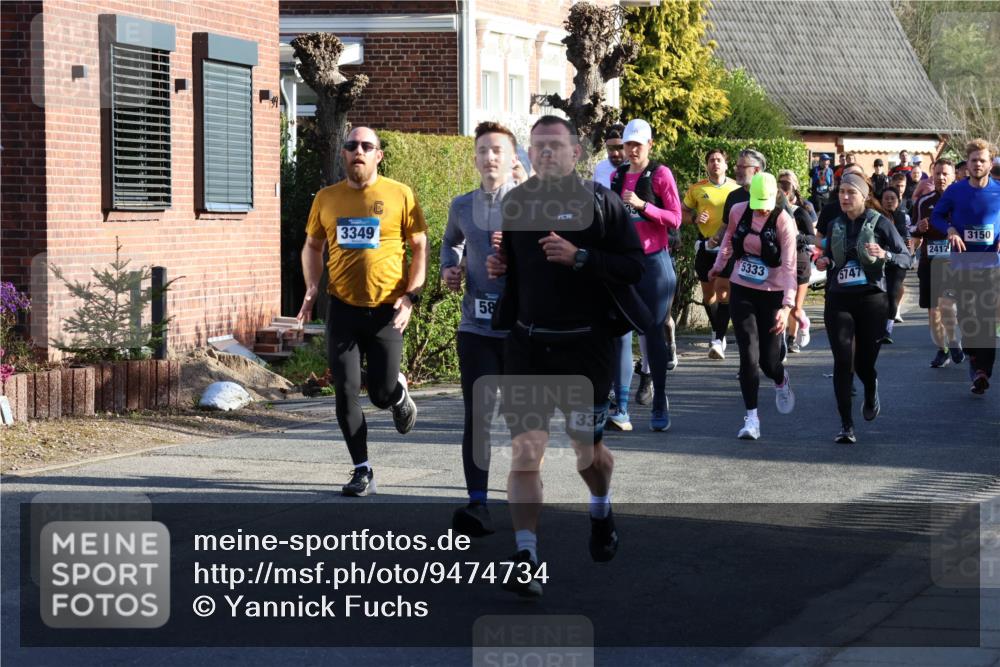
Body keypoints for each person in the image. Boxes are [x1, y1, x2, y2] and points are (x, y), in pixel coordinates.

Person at [487, 115, 644, 595]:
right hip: (528, 344)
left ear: (577, 153)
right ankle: (526, 556)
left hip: (585, 348)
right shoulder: (515, 204)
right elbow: (514, 269)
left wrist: (581, 257)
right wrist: (500, 266)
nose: (546, 153)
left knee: (586, 455)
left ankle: (600, 510)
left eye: (555, 146)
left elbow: (633, 266)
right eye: (538, 147)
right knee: (525, 453)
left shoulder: (603, 205)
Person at [298, 126, 428, 496]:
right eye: (352, 145)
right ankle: (362, 469)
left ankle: (398, 395)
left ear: (378, 155)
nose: (358, 150)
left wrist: (411, 296)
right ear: (343, 154)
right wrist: (311, 288)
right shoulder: (326, 198)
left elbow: (420, 246)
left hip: (388, 309)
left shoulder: (400, 194)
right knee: (345, 390)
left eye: (366, 146)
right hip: (343, 309)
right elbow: (311, 246)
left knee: (380, 393)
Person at [440, 121, 519, 536]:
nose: (489, 157)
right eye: (483, 150)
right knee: (478, 416)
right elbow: (451, 241)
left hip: (521, 330)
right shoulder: (462, 206)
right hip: (475, 327)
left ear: (511, 160)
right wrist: (449, 270)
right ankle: (477, 504)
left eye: (497, 151)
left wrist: (513, 260)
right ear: (475, 158)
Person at [815, 173, 912, 444]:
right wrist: (824, 262)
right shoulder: (834, 224)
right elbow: (827, 256)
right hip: (839, 298)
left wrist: (885, 255)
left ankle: (870, 388)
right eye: (842, 192)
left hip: (872, 299)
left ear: (864, 196)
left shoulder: (880, 223)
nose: (845, 198)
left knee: (863, 363)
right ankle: (846, 425)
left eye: (851, 193)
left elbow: (906, 257)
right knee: (842, 361)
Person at [606, 118, 682, 432]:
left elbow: (676, 218)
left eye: (638, 144)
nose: (633, 150)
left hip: (654, 264)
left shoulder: (660, 174)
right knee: (619, 334)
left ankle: (660, 399)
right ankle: (621, 409)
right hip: (625, 264)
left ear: (650, 145)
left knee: (651, 334)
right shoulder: (617, 175)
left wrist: (643, 205)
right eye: (628, 145)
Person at [709, 172, 797, 440]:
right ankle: (752, 419)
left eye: (766, 202)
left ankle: (781, 380)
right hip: (743, 288)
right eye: (757, 202)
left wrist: (786, 306)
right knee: (748, 355)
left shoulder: (783, 220)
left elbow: (791, 266)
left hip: (772, 293)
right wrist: (718, 267)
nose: (762, 207)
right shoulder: (738, 211)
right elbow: (728, 241)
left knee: (769, 362)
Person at [931, 138, 1000, 395]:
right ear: (967, 164)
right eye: (974, 160)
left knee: (986, 318)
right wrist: (949, 229)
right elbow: (937, 215)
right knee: (966, 315)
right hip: (962, 264)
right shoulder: (956, 191)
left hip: (991, 265)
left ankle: (983, 372)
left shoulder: (999, 191)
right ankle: (972, 355)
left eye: (983, 160)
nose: (978, 164)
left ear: (990, 163)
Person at [683, 149, 740, 360]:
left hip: (727, 246)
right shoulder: (697, 188)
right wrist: (696, 217)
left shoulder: (736, 188)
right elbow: (682, 214)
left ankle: (718, 338)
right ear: (707, 165)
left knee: (724, 291)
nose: (715, 163)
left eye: (719, 160)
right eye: (711, 160)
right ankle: (718, 330)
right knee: (709, 295)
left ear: (726, 164)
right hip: (705, 245)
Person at [911, 159, 961, 367]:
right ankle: (944, 350)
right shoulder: (924, 201)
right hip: (930, 261)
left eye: (945, 173)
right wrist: (919, 228)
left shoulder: (962, 200)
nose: (941, 177)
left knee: (947, 305)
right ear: (932, 175)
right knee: (933, 311)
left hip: (954, 262)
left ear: (953, 176)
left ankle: (955, 342)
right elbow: (912, 229)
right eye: (937, 173)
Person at [777, 170, 817, 353]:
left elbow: (812, 237)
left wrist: (794, 238)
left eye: (787, 184)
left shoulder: (802, 210)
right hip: (779, 262)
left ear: (793, 188)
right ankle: (784, 340)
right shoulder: (773, 209)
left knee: (795, 307)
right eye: (781, 183)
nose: (784, 188)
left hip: (800, 260)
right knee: (783, 303)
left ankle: (798, 329)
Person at [877, 186, 912, 343]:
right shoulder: (875, 217)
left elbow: (908, 238)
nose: (889, 201)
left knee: (892, 294)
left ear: (898, 201)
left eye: (893, 198)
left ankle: (887, 330)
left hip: (897, 261)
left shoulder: (903, 217)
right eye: (886, 198)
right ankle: (877, 325)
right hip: (879, 260)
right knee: (880, 295)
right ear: (881, 201)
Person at [593, 123, 626, 188]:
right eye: (611, 148)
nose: (615, 153)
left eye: (620, 147)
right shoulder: (600, 168)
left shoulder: (637, 169)